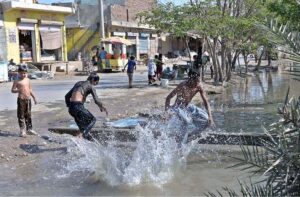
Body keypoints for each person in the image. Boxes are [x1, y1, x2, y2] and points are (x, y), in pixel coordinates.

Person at [65, 73, 108, 139]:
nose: (95, 85)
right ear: (93, 80)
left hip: (71, 109)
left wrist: (70, 106)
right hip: (78, 107)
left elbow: (67, 96)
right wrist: (103, 107)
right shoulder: (90, 86)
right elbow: (96, 100)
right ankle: (81, 136)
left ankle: (81, 137)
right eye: (95, 83)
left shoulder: (78, 83)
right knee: (92, 120)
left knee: (83, 127)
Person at [11, 64, 38, 137]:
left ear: (27, 73)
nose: (23, 74)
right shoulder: (17, 81)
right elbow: (12, 90)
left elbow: (30, 89)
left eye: (25, 73)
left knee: (28, 115)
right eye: (22, 73)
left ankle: (29, 129)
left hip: (28, 100)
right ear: (18, 73)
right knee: (21, 115)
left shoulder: (28, 80)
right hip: (21, 100)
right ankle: (22, 130)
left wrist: (34, 98)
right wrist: (17, 90)